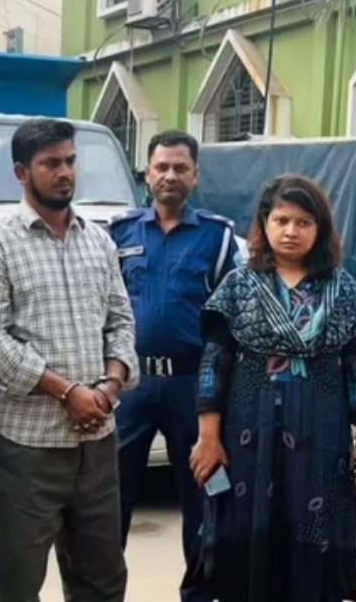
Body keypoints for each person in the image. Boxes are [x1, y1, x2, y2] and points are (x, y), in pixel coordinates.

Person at [186, 174, 356, 602]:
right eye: (282, 220)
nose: (291, 231)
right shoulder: (238, 287)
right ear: (264, 223)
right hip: (248, 431)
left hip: (321, 432)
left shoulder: (341, 291)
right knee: (246, 531)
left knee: (316, 534)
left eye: (304, 222)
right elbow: (214, 364)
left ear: (320, 229)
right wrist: (208, 437)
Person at [0, 117, 139, 602]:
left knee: (103, 579)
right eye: (50, 164)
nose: (64, 173)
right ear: (22, 173)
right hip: (29, 445)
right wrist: (67, 392)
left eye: (69, 161)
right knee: (20, 582)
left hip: (98, 441)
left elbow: (121, 322)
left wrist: (109, 387)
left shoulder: (99, 241)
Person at [107, 129, 237, 602]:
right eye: (161, 167)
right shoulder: (120, 233)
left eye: (181, 168)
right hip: (131, 384)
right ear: (147, 173)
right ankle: (103, 592)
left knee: (204, 497)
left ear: (195, 174)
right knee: (110, 499)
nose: (170, 176)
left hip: (193, 385)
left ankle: (199, 594)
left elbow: (228, 321)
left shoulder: (218, 237)